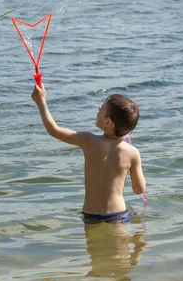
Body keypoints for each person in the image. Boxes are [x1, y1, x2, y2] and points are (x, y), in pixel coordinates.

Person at [31, 84, 146, 223]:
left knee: (94, 245)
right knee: (120, 245)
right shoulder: (132, 152)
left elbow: (54, 130)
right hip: (118, 214)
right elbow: (139, 189)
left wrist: (41, 101)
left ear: (108, 122)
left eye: (102, 108)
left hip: (91, 215)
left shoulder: (88, 140)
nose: (98, 108)